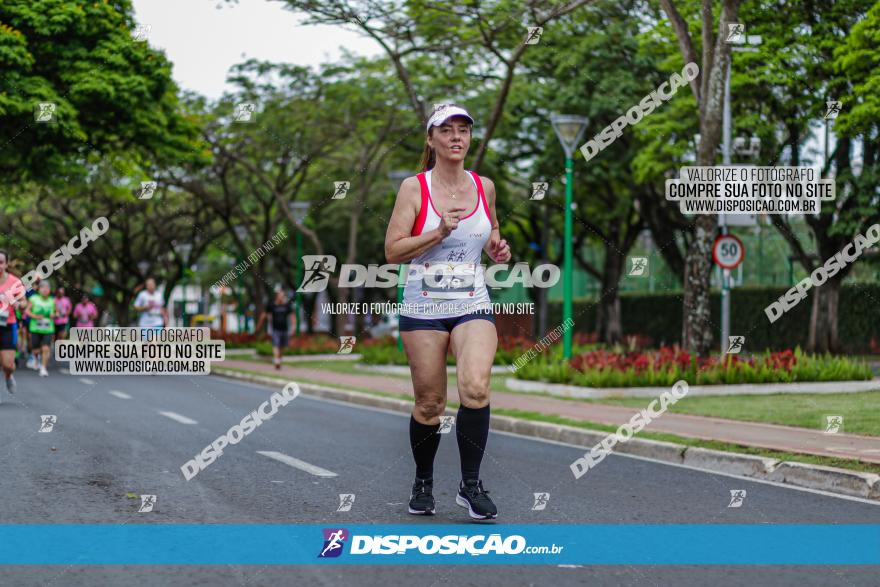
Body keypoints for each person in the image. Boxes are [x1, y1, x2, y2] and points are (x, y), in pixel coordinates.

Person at [384, 104, 511, 520]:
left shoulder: (484, 186)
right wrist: (437, 231)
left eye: (463, 130)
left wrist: (497, 247)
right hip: (424, 306)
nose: (456, 137)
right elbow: (392, 251)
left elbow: (491, 231)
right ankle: (423, 482)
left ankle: (470, 485)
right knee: (430, 404)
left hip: (472, 302)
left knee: (475, 388)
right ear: (431, 139)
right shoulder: (413, 188)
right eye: (447, 131)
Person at [0, 250, 22, 394]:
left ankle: (8, 376)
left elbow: (24, 302)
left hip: (7, 325)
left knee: (8, 365)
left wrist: (18, 304)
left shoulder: (15, 282)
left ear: (7, 264)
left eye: (1, 262)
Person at [255, 290, 294, 370]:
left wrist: (293, 326)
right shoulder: (272, 305)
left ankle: (278, 360)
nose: (282, 298)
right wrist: (259, 326)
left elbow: (292, 317)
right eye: (281, 296)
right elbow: (264, 316)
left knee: (282, 347)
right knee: (276, 345)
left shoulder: (286, 306)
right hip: (275, 329)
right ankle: (277, 362)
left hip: (284, 329)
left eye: (283, 296)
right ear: (277, 296)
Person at [26, 280, 56, 377]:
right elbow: (27, 311)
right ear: (39, 289)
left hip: (48, 328)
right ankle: (36, 357)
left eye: (47, 288)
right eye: (43, 288)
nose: (45, 290)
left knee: (46, 348)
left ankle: (43, 368)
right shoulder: (33, 299)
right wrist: (35, 316)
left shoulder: (52, 300)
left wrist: (53, 315)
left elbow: (58, 313)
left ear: (50, 290)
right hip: (35, 328)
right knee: (36, 349)